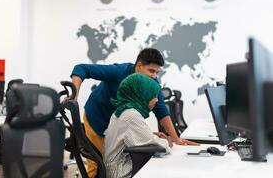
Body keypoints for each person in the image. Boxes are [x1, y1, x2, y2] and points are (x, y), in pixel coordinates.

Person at [71, 48, 198, 178]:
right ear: (139, 66)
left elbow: (161, 111)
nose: (154, 76)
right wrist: (74, 96)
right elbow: (82, 69)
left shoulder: (150, 85)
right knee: (97, 167)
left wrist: (176, 138)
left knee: (109, 160)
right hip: (98, 118)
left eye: (157, 72)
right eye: (151, 71)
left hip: (117, 122)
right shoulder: (119, 72)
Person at [104, 73, 171, 178]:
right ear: (142, 94)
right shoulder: (131, 115)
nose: (157, 100)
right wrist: (168, 142)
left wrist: (152, 135)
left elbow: (127, 136)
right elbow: (159, 146)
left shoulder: (123, 110)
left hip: (116, 168)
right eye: (153, 95)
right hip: (121, 172)